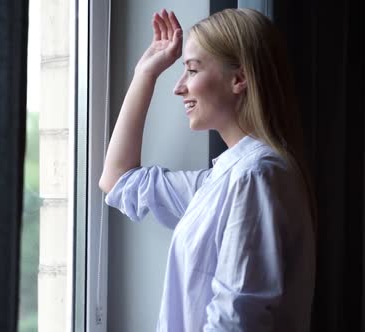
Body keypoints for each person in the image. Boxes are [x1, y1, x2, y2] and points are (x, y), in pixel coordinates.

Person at [99, 8, 316, 332]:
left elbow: (236, 321)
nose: (179, 87)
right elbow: (118, 181)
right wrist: (145, 73)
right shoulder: (225, 180)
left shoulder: (255, 177)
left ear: (239, 79)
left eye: (192, 69)